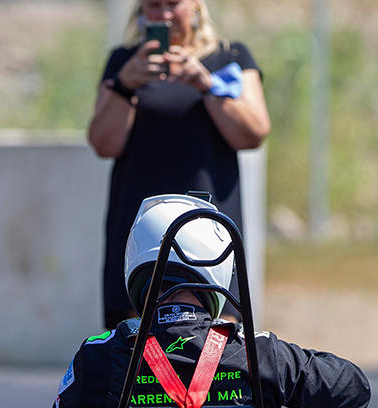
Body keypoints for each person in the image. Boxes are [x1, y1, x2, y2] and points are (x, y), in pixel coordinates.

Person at [53, 195, 370, 408]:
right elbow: (355, 392)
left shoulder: (98, 356)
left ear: (136, 266)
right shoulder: (260, 353)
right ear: (218, 269)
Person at [88, 0, 271, 329]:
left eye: (173, 4)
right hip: (141, 228)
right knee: (135, 355)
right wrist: (125, 84)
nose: (164, 15)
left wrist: (206, 85)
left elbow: (253, 133)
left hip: (210, 228)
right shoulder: (124, 62)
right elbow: (103, 143)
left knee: (218, 347)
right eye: (154, 5)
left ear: (197, 6)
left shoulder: (229, 58)